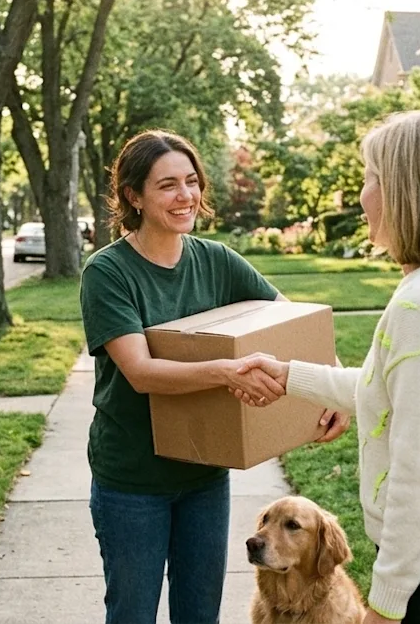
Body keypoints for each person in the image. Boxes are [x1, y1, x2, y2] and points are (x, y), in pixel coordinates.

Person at [238, 111, 420, 624]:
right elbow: (389, 389)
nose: (362, 195)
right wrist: (289, 375)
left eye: (371, 179)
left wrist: (387, 607)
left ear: (406, 192)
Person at [79, 129, 350, 624]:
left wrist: (332, 389)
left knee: (200, 614)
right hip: (133, 478)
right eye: (167, 185)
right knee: (132, 612)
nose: (185, 196)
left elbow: (295, 324)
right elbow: (141, 372)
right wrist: (229, 372)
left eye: (191, 181)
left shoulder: (216, 260)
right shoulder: (108, 272)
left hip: (204, 471)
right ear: (133, 196)